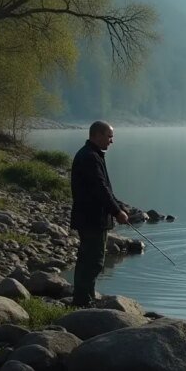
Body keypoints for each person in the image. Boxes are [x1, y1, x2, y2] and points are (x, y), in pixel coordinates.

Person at [70, 120, 129, 307]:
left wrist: (119, 206)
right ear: (96, 135)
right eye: (109, 136)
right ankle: (82, 300)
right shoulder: (89, 157)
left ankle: (85, 297)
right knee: (93, 260)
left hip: (91, 217)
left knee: (89, 258)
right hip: (92, 218)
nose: (111, 141)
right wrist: (117, 211)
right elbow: (99, 188)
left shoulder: (93, 155)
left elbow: (105, 188)